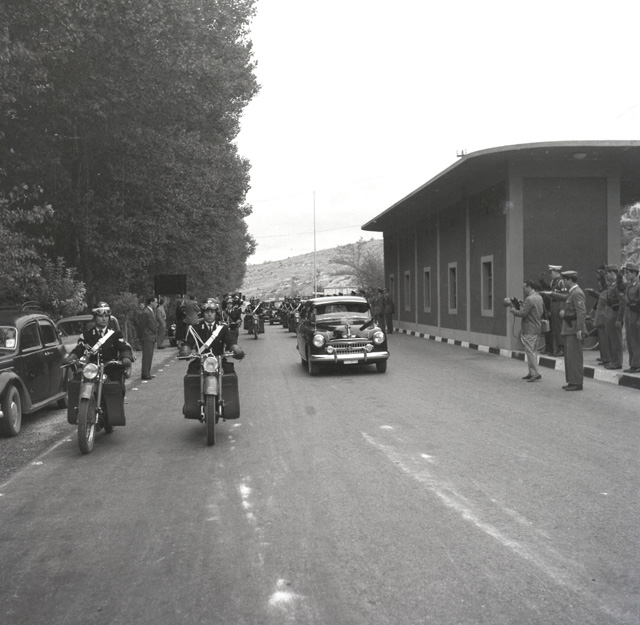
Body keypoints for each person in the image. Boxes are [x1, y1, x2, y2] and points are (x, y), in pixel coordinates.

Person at [68, 302, 133, 432]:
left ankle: (113, 414)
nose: (104, 318)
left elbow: (123, 347)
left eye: (106, 316)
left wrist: (126, 357)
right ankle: (77, 412)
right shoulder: (86, 335)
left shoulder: (116, 334)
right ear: (94, 317)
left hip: (110, 367)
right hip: (91, 368)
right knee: (76, 382)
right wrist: (72, 357)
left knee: (117, 385)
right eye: (100, 316)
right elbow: (79, 348)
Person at [181, 300, 244, 374]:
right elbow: (189, 343)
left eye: (212, 312)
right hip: (200, 360)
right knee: (191, 375)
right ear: (203, 314)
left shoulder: (223, 328)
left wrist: (236, 349)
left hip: (219, 360)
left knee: (231, 375)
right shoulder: (195, 328)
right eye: (207, 312)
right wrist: (185, 350)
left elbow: (231, 342)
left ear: (216, 314)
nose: (209, 314)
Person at [509, 280, 544, 382]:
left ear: (529, 287)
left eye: (524, 288)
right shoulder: (539, 297)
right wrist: (522, 304)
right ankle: (531, 372)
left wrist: (514, 311)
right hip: (537, 327)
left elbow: (523, 313)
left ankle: (535, 373)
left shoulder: (529, 299)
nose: (523, 290)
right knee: (533, 351)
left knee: (530, 351)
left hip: (529, 328)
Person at [559, 271, 586, 390]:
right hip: (569, 329)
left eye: (564, 280)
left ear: (569, 280)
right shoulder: (572, 293)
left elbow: (581, 312)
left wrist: (579, 329)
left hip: (574, 329)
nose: (563, 282)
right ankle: (572, 381)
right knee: (570, 357)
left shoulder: (577, 293)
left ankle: (577, 382)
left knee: (575, 357)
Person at [541, 265, 568, 356]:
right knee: (555, 328)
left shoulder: (561, 281)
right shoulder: (553, 281)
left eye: (551, 272)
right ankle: (557, 348)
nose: (550, 275)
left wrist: (562, 308)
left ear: (556, 272)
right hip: (553, 304)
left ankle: (562, 348)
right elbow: (548, 288)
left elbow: (564, 295)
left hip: (558, 304)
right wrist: (541, 280)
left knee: (559, 327)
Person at [603, 265, 624, 370]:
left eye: (607, 273)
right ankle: (613, 361)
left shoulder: (618, 286)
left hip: (615, 315)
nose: (606, 275)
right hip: (609, 315)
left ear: (612, 273)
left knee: (616, 340)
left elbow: (622, 303)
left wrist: (619, 319)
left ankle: (617, 362)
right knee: (610, 339)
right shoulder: (611, 285)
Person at [623, 262, 640, 373]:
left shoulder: (638, 285)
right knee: (630, 339)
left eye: (628, 272)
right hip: (628, 312)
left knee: (635, 340)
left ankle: (637, 364)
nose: (626, 274)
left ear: (634, 273)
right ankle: (632, 363)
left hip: (635, 313)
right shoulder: (630, 284)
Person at [140, 296, 158, 380]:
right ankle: (145, 373)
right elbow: (142, 325)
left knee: (149, 355)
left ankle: (147, 372)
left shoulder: (151, 311)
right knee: (147, 356)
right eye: (155, 302)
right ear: (151, 302)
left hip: (151, 336)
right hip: (147, 336)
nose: (156, 304)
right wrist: (141, 336)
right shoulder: (146, 312)